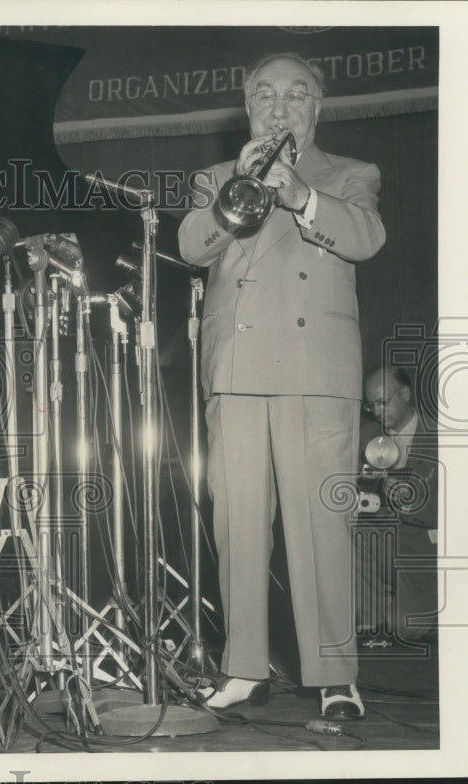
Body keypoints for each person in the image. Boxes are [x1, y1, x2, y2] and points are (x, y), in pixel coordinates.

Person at [178, 52, 386, 719]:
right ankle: (243, 669)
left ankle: (334, 675)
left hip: (314, 371)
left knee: (322, 525)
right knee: (236, 522)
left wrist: (303, 197)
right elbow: (189, 247)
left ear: (316, 109)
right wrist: (237, 185)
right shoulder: (214, 176)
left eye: (295, 96)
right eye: (265, 96)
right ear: (248, 109)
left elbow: (366, 239)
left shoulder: (351, 175)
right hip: (237, 369)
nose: (279, 107)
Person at [356, 366, 437, 644]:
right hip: (382, 543)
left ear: (405, 393)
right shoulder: (367, 435)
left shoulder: (443, 439)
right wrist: (365, 484)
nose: (377, 411)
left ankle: (437, 607)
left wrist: (409, 500)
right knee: (355, 534)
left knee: (404, 628)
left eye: (383, 402)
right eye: (371, 405)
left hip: (422, 550)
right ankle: (372, 620)